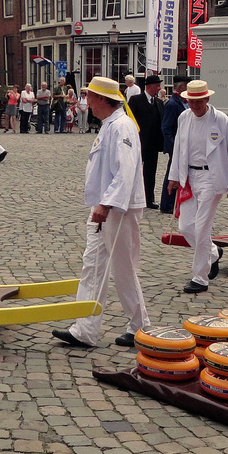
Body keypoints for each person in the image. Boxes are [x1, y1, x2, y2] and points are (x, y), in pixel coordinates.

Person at [51, 75, 153, 349]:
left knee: (122, 269)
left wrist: (106, 204)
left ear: (102, 99)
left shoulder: (122, 127)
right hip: (103, 208)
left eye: (90, 97)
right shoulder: (110, 125)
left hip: (118, 209)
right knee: (92, 266)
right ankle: (85, 328)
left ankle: (139, 326)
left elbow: (126, 170)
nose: (87, 101)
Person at [167, 80, 228, 293]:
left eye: (198, 101)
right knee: (185, 226)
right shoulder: (184, 118)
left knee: (202, 228)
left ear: (207, 99)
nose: (194, 105)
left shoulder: (221, 120)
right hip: (189, 176)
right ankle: (213, 253)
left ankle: (200, 277)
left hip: (212, 177)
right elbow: (179, 148)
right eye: (190, 101)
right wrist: (174, 176)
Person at [126, 74, 164, 210]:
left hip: (153, 145)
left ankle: (149, 199)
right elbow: (129, 120)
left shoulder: (159, 102)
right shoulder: (136, 100)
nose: (159, 88)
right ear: (150, 86)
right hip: (138, 142)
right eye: (157, 85)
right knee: (133, 170)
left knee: (150, 172)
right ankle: (130, 197)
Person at [158, 76, 188, 213]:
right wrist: (173, 147)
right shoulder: (173, 104)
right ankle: (167, 205)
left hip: (183, 147)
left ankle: (174, 202)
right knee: (171, 175)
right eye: (186, 86)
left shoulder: (182, 102)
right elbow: (166, 128)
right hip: (176, 147)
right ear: (180, 87)